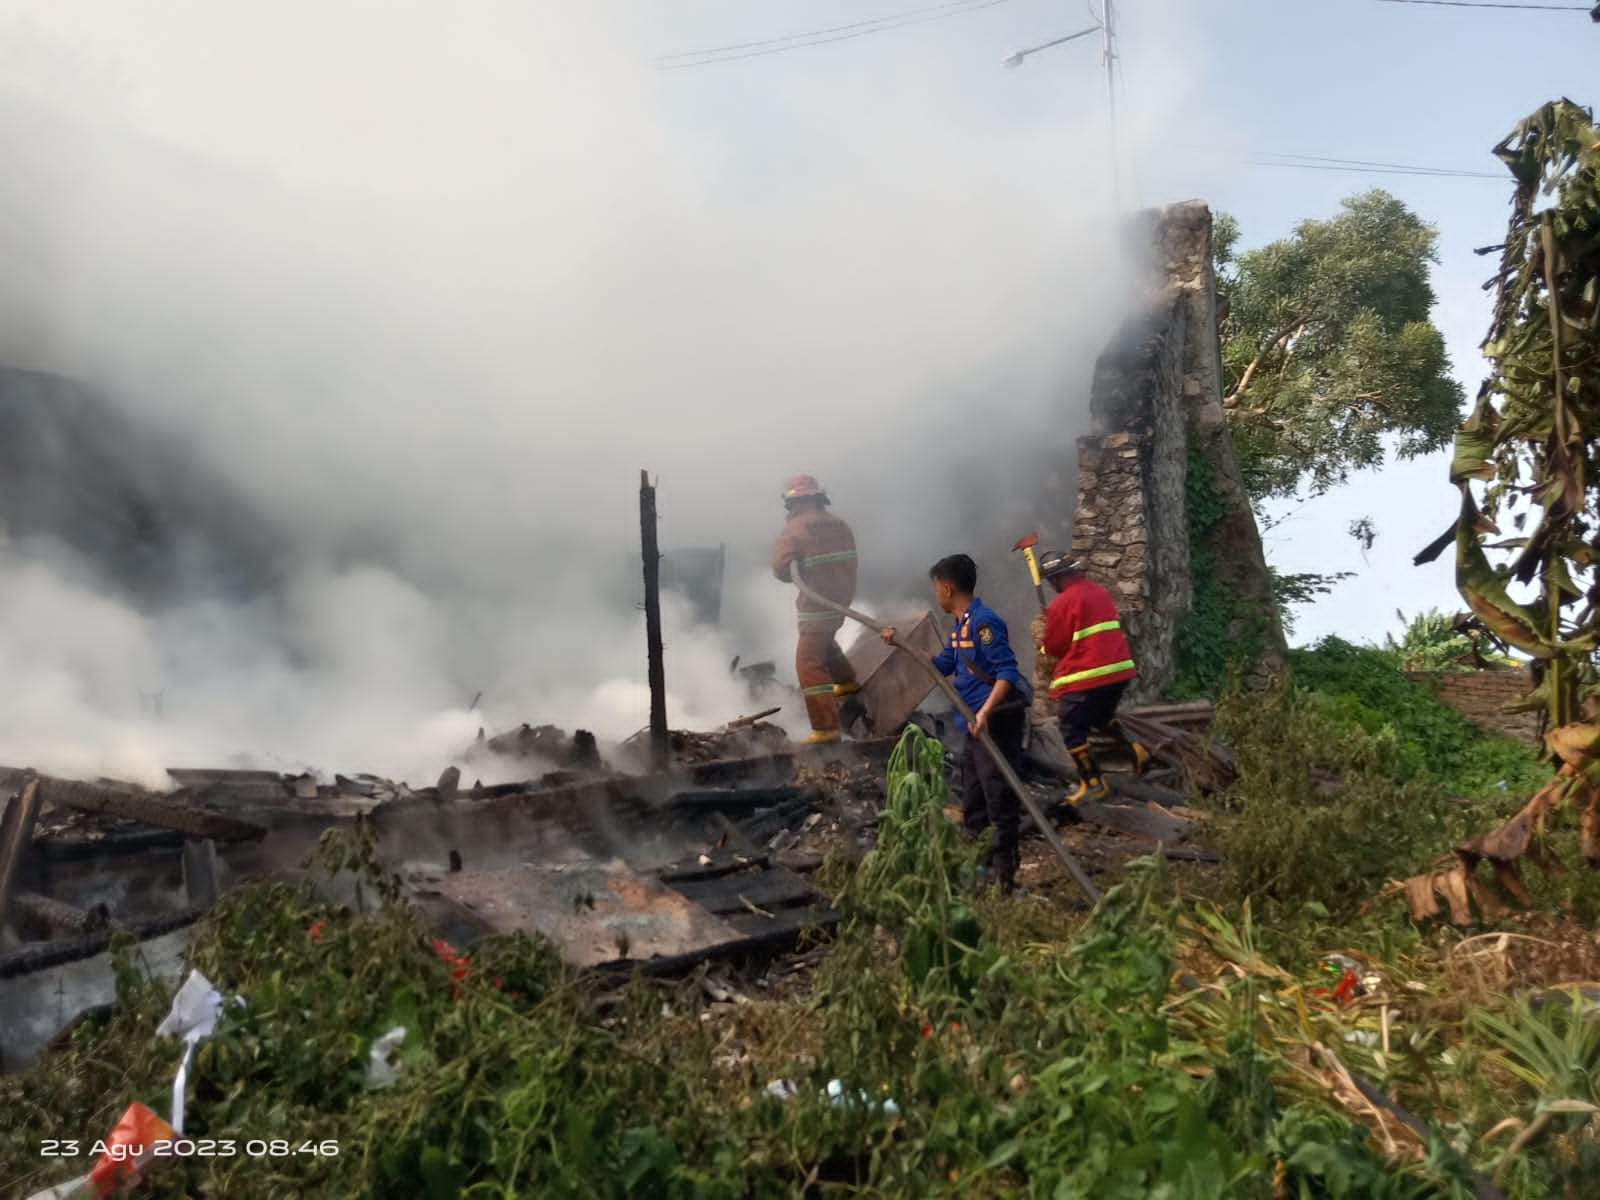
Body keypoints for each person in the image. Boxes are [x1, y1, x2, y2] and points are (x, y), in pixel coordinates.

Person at [882, 554, 1031, 891]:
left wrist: (984, 713)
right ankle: (978, 865)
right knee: (974, 796)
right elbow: (941, 664)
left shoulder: (984, 624)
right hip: (973, 726)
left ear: (947, 587)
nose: (936, 594)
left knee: (999, 795)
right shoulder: (962, 626)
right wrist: (899, 644)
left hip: (995, 722)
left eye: (936, 588)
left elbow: (1005, 672)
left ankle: (1004, 871)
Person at [1037, 551, 1149, 805]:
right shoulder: (1099, 591)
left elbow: (1055, 646)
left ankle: (1093, 783)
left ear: (1055, 579)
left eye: (1050, 581)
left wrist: (1045, 640)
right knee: (1100, 717)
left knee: (1069, 725)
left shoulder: (1061, 604)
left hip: (1090, 675)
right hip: (1119, 671)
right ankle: (1138, 751)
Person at [771, 474, 867, 743]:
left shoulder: (795, 530)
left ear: (792, 503)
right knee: (824, 641)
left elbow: (780, 570)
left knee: (808, 660)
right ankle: (846, 682)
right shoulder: (840, 525)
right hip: (840, 600)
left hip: (817, 603)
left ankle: (826, 728)